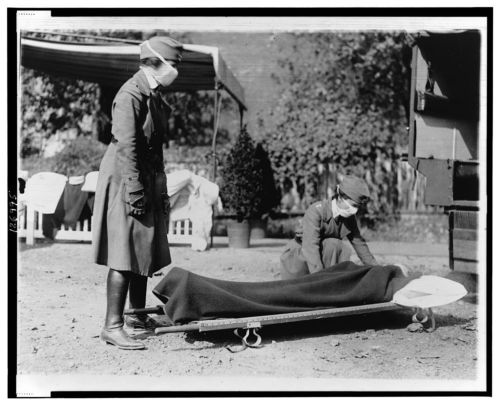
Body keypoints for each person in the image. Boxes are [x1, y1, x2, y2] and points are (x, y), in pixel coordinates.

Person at [92, 36, 183, 349]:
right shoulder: (131, 93)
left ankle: (135, 315)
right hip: (124, 177)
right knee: (124, 251)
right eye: (175, 64)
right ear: (155, 62)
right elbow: (127, 147)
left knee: (142, 247)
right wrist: (134, 191)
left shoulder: (153, 95)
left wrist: (160, 187)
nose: (176, 71)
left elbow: (155, 146)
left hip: (145, 176)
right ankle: (112, 325)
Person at [280, 175, 377, 280]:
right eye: (353, 205)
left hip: (321, 256)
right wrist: (320, 279)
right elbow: (310, 247)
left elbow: (359, 244)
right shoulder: (316, 211)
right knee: (333, 244)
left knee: (340, 247)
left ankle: (331, 281)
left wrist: (377, 270)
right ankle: (323, 282)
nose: (355, 210)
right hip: (300, 257)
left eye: (357, 207)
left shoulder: (348, 218)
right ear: (341, 197)